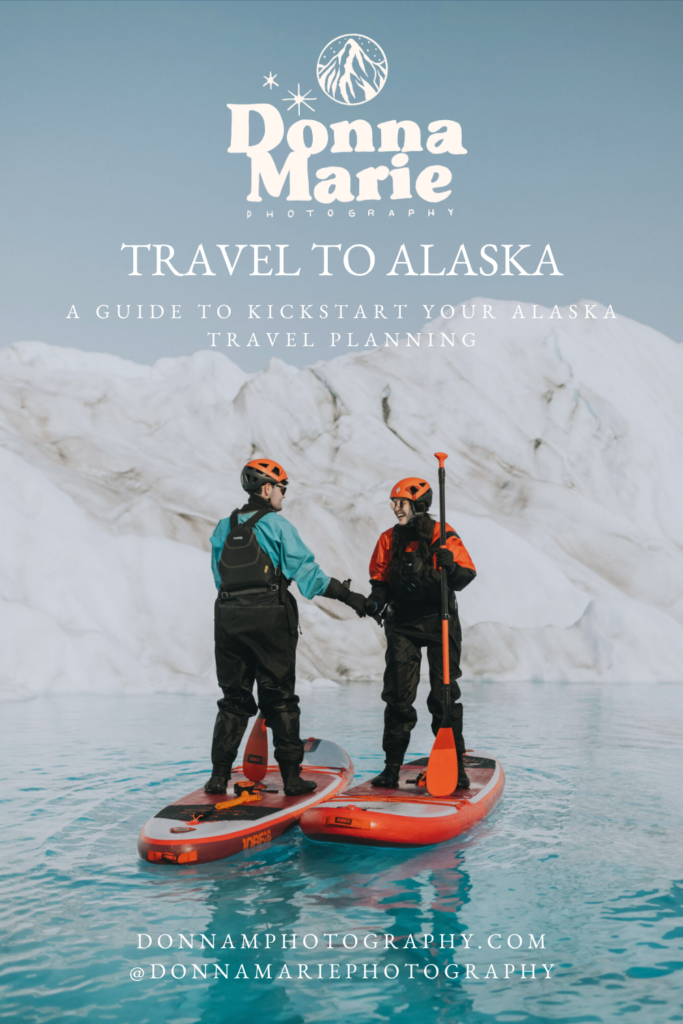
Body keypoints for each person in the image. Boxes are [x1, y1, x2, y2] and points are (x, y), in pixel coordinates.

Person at [205, 458, 368, 797]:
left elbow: (220, 578)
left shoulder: (222, 527)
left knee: (233, 701)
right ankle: (292, 779)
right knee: (279, 699)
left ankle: (219, 777)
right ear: (266, 488)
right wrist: (350, 597)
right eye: (282, 487)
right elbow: (310, 578)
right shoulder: (278, 526)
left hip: (228, 620)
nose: (283, 494)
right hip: (270, 621)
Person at [365, 476, 477, 789]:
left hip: (439, 620)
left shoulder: (443, 535)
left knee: (443, 698)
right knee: (398, 697)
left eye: (400, 503)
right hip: (402, 625)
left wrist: (450, 566)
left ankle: (456, 766)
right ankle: (391, 768)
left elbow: (466, 575)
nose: (395, 508)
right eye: (393, 502)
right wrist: (376, 601)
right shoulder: (388, 539)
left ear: (420, 505)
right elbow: (380, 581)